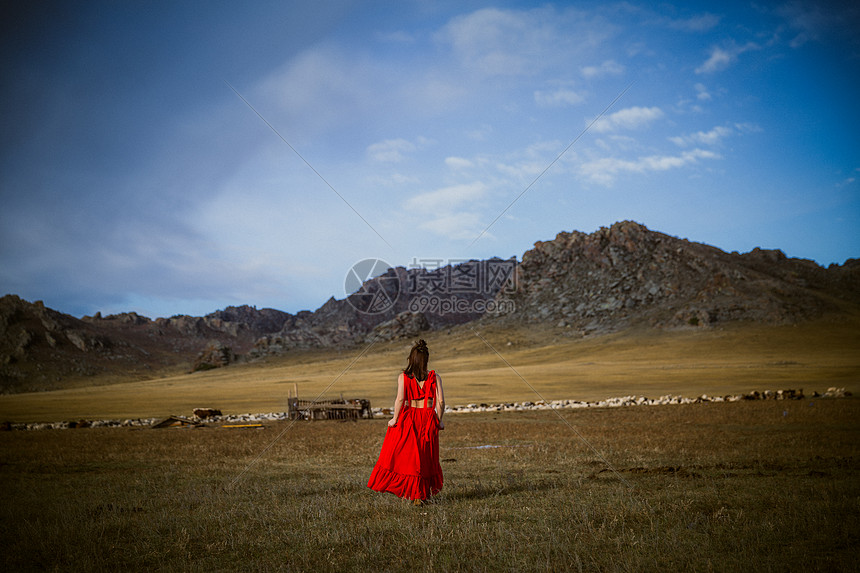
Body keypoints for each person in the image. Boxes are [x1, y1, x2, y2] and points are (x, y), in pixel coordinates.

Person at [367, 338, 445, 503]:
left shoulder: (403, 377)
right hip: (428, 417)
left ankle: (414, 494)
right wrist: (439, 420)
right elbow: (440, 402)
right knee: (426, 457)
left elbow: (400, 399)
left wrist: (395, 419)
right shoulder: (435, 376)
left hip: (409, 418)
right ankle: (422, 494)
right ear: (426, 359)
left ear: (411, 358)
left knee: (409, 458)